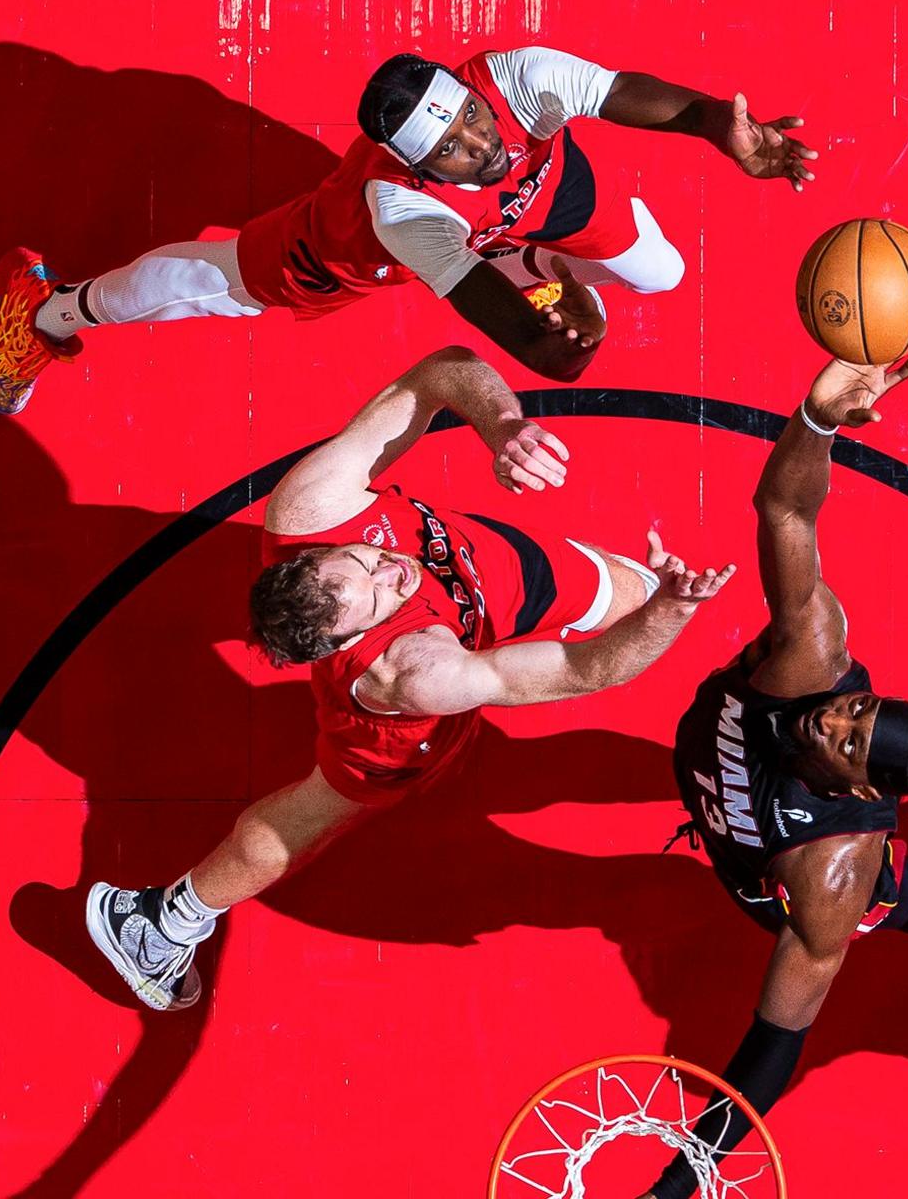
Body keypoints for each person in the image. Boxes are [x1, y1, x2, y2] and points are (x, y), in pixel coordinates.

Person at [86, 345, 735, 1009]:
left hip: (500, 578)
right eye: (379, 589)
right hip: (418, 706)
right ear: (353, 637)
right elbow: (586, 670)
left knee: (638, 587)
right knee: (319, 812)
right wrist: (676, 611)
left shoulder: (310, 506)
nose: (392, 565)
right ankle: (163, 920)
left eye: (361, 556)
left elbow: (438, 372)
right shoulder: (419, 673)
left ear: (313, 550)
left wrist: (504, 426)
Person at [640, 355, 908, 1199]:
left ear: (863, 792)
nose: (835, 719)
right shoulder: (812, 659)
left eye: (850, 742)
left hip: (775, 871)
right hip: (714, 761)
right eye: (858, 711)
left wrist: (677, 1185)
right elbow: (784, 507)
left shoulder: (834, 876)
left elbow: (771, 1048)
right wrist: (819, 418)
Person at [0, 46, 819, 412]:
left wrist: (717, 126)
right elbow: (502, 321)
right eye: (452, 152)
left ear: (476, 92)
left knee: (663, 275)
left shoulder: (521, 78)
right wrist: (559, 336)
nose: (483, 150)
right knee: (221, 285)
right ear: (420, 168)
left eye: (477, 124)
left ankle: (537, 254)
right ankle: (52, 309)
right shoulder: (397, 209)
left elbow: (627, 92)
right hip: (365, 253)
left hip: (553, 199)